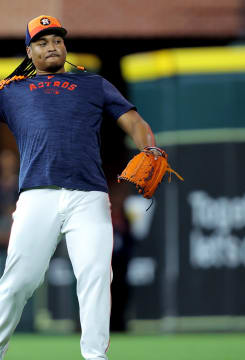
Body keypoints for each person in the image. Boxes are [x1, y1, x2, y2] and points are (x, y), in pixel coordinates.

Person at [0, 15, 161, 360]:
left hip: (89, 196)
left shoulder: (93, 84)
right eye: (42, 42)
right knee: (18, 282)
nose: (52, 46)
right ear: (29, 52)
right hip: (36, 196)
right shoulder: (10, 90)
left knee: (96, 276)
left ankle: (95, 357)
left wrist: (149, 147)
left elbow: (133, 121)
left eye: (57, 39)